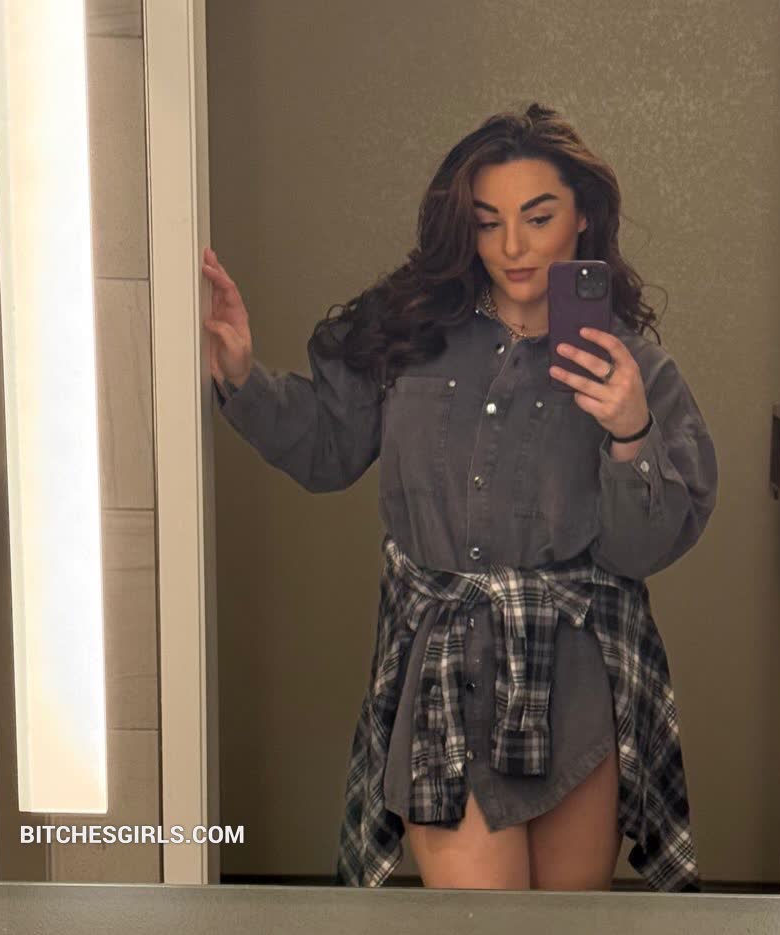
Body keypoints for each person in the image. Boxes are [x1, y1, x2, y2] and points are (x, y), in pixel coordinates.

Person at [203, 102, 718, 891]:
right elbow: (328, 446)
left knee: (569, 924)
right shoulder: (410, 333)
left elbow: (641, 548)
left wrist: (630, 430)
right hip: (444, 675)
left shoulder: (631, 366)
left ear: (581, 216)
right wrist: (242, 373)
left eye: (537, 217)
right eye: (487, 222)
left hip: (578, 687)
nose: (512, 246)